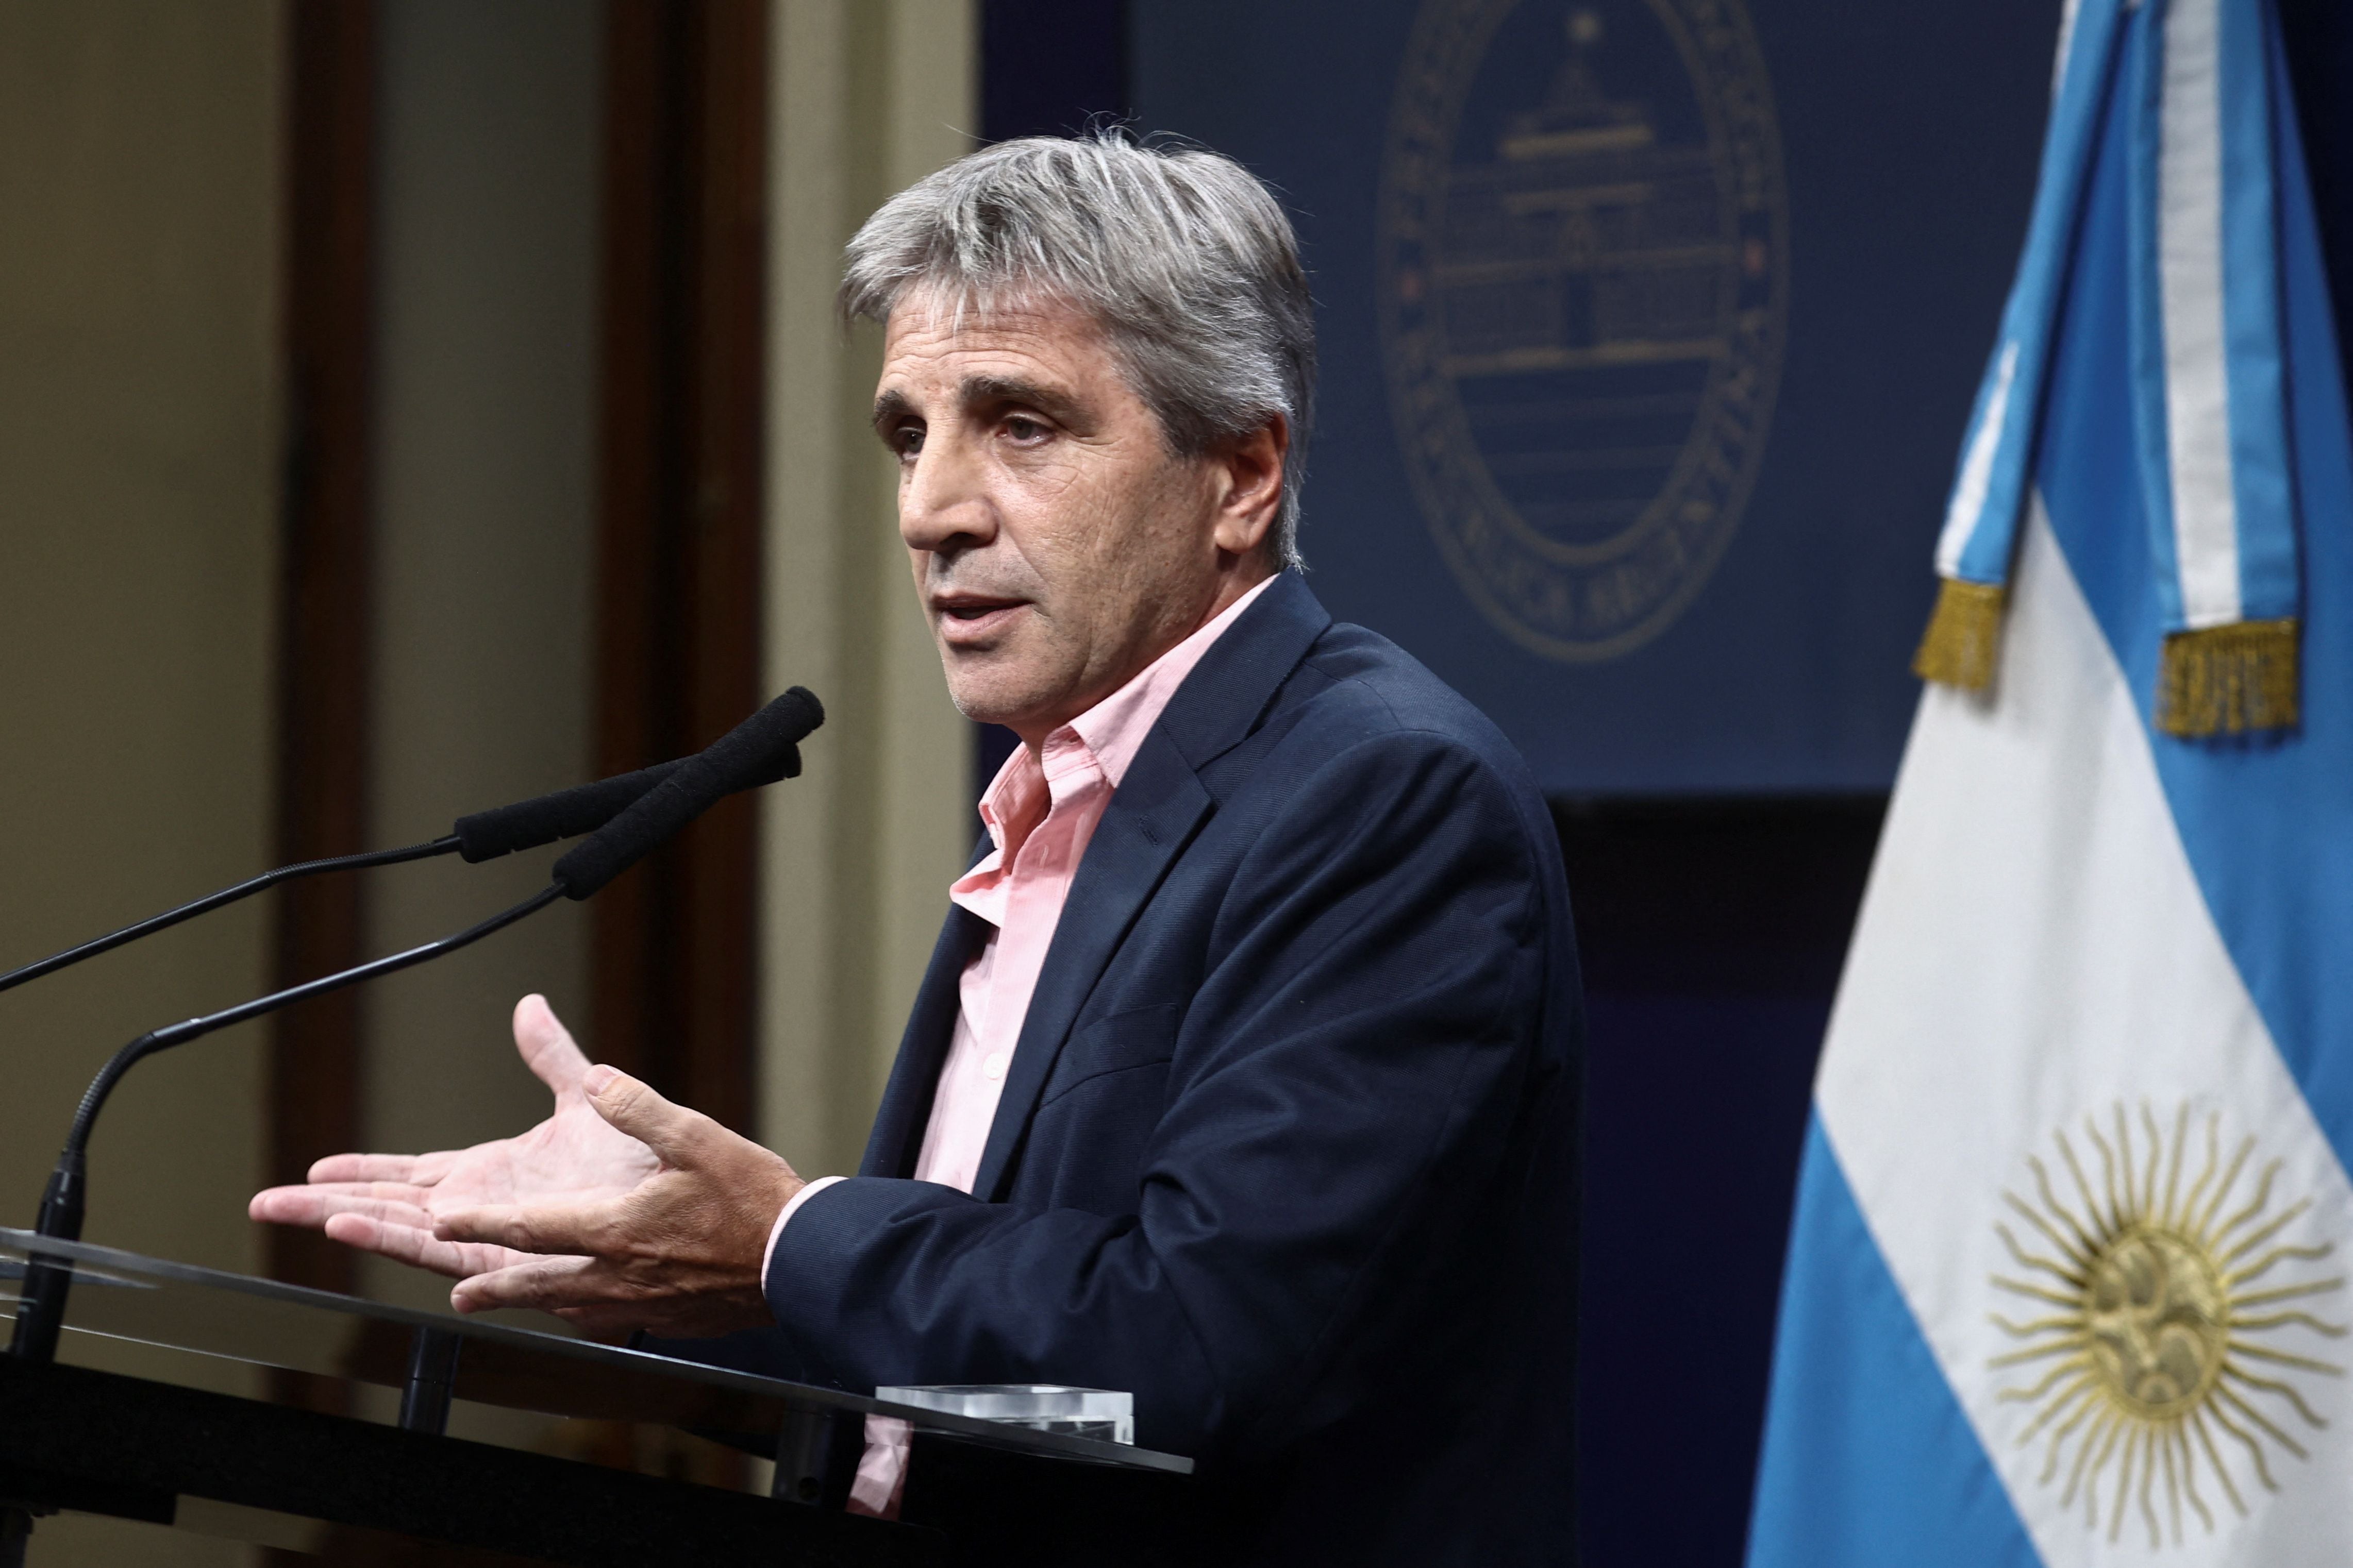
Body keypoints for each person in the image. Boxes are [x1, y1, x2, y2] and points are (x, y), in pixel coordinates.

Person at [253, 133, 1581, 1565]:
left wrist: (785, 1234)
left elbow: (1191, 1357)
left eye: (1020, 425)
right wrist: (656, 1256)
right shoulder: (1067, 792)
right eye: (909, 432)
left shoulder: (1383, 796)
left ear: (1241, 473)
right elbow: (1023, 1389)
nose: (930, 510)